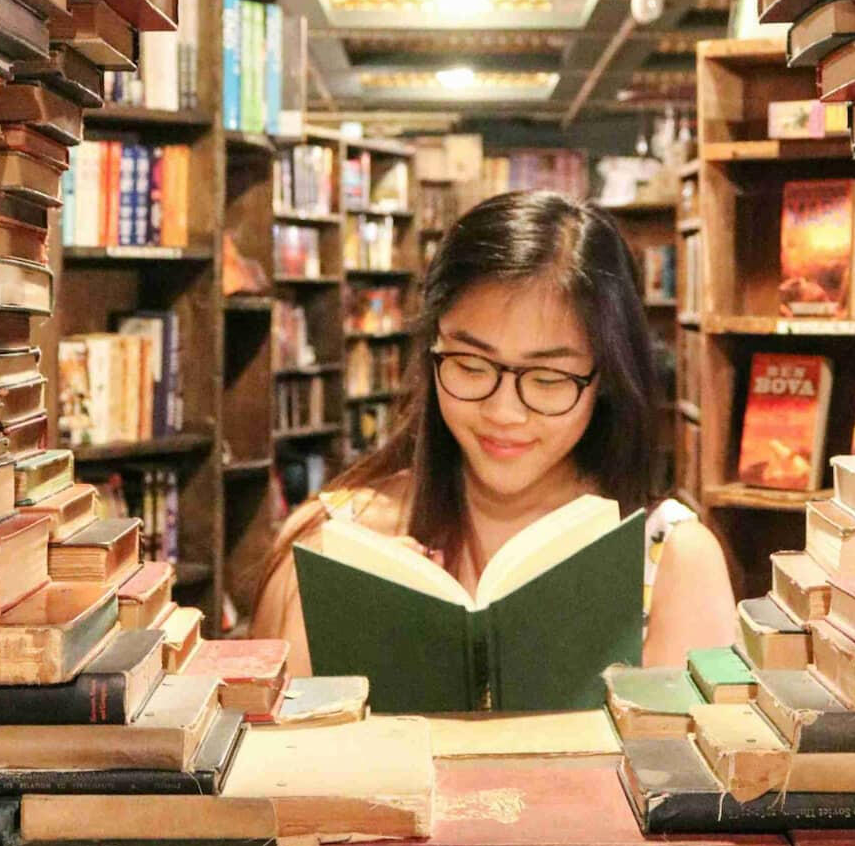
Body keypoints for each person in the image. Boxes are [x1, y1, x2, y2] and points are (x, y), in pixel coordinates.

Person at [251, 189, 738, 672]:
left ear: (607, 378)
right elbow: (280, 745)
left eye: (548, 379)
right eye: (471, 365)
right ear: (431, 351)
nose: (504, 412)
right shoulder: (330, 539)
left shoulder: (674, 560)